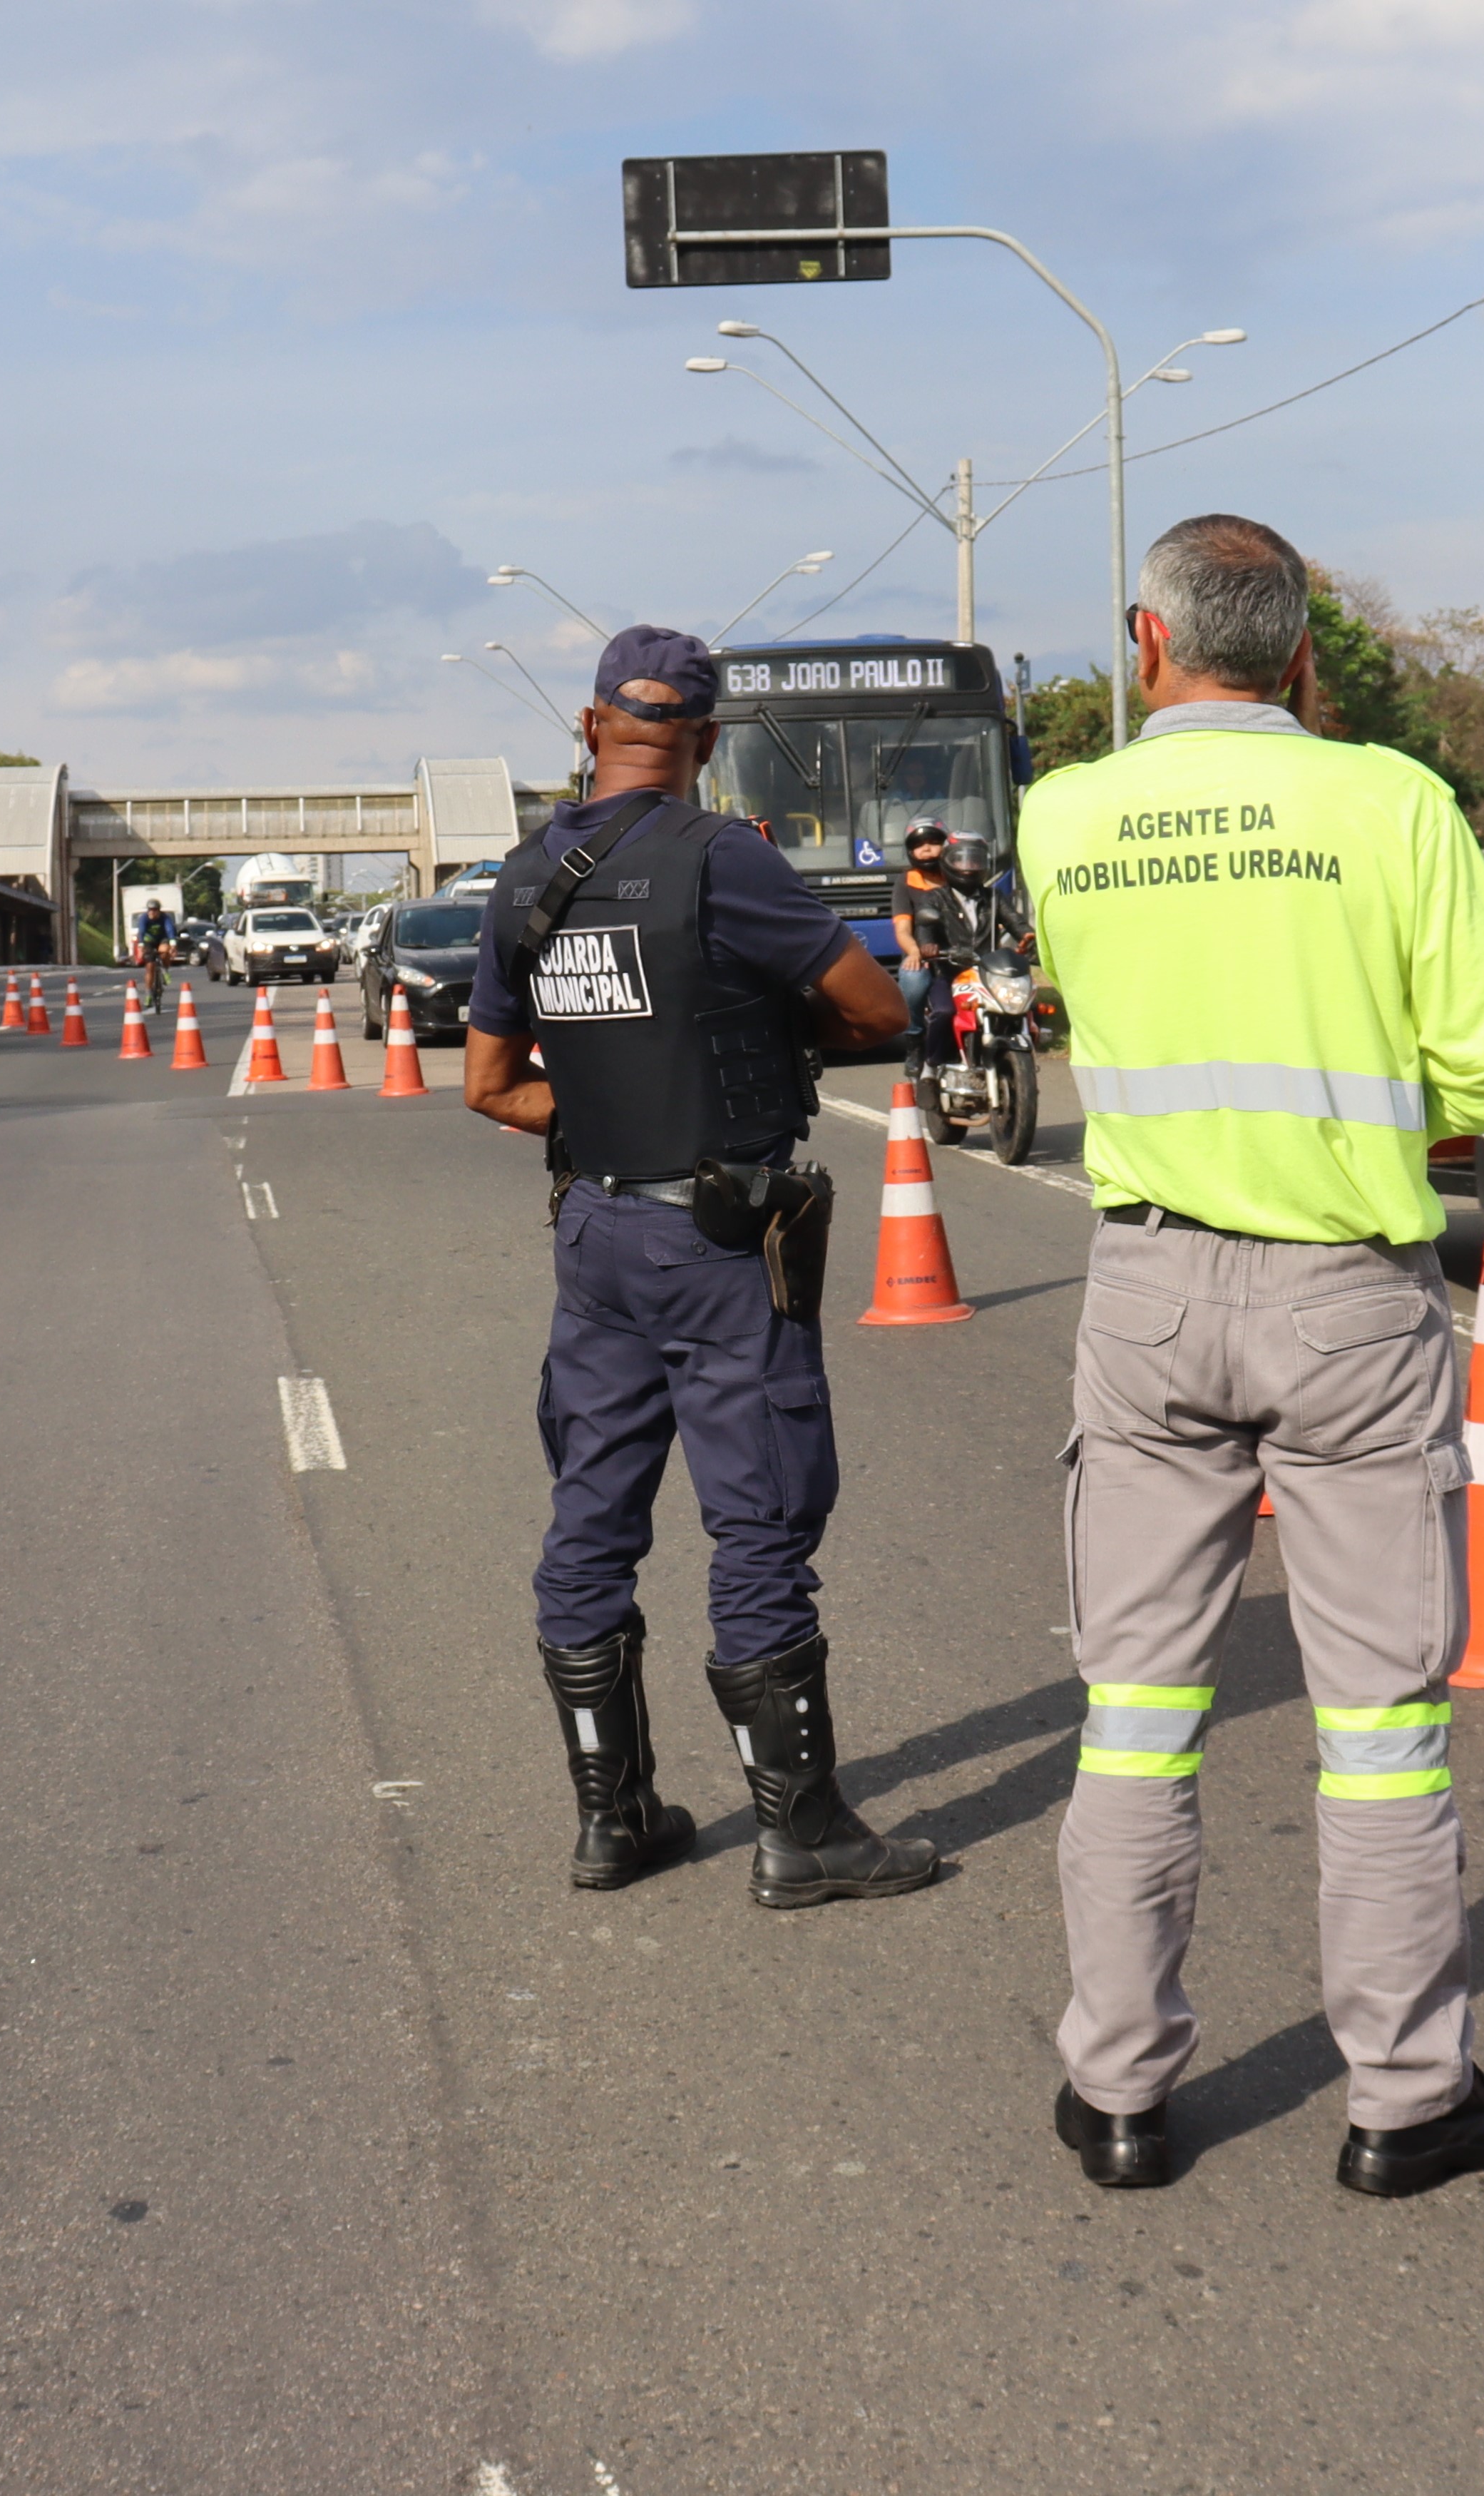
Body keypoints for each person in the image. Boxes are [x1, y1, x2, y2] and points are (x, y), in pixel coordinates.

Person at [1016, 513, 1484, 2199]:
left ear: (1144, 639)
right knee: (1380, 1722)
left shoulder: (1062, 815)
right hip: (1345, 1296)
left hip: (1146, 1295)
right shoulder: (1386, 802)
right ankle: (1403, 2096)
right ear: (1304, 652)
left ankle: (1116, 2092)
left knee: (1131, 1713)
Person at [464, 625, 939, 1911]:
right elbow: (880, 1010)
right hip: (719, 1237)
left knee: (591, 1518)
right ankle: (804, 1833)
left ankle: (611, 1819)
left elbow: (490, 1087)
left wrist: (609, 1106)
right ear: (708, 741)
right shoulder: (723, 856)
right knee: (760, 1516)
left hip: (594, 1233)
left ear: (589, 724)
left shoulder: (520, 879)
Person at [908, 829, 1035, 1082]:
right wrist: (929, 946)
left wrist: (1028, 937)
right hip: (951, 974)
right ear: (947, 862)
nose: (968, 867)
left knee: (1024, 1006)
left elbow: (1016, 923)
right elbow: (925, 928)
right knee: (943, 1013)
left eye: (975, 860)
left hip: (988, 975)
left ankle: (1021, 1061)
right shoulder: (934, 898)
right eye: (961, 860)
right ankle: (931, 1067)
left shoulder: (994, 898)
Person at [890, 819, 951, 1076]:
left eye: (934, 843)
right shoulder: (906, 882)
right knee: (913, 982)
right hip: (924, 956)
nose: (927, 850)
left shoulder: (957, 873)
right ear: (910, 851)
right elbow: (903, 929)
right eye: (919, 845)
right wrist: (914, 952)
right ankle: (915, 1041)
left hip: (959, 955)